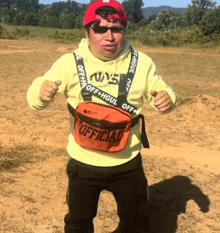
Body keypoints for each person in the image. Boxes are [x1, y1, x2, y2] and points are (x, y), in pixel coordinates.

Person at [27, 0, 176, 232]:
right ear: (87, 32)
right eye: (100, 28)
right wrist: (41, 93)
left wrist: (166, 98)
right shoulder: (68, 63)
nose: (110, 36)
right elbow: (36, 94)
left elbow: (159, 87)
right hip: (83, 163)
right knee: (78, 223)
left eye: (116, 29)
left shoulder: (142, 63)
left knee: (136, 223)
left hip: (128, 163)